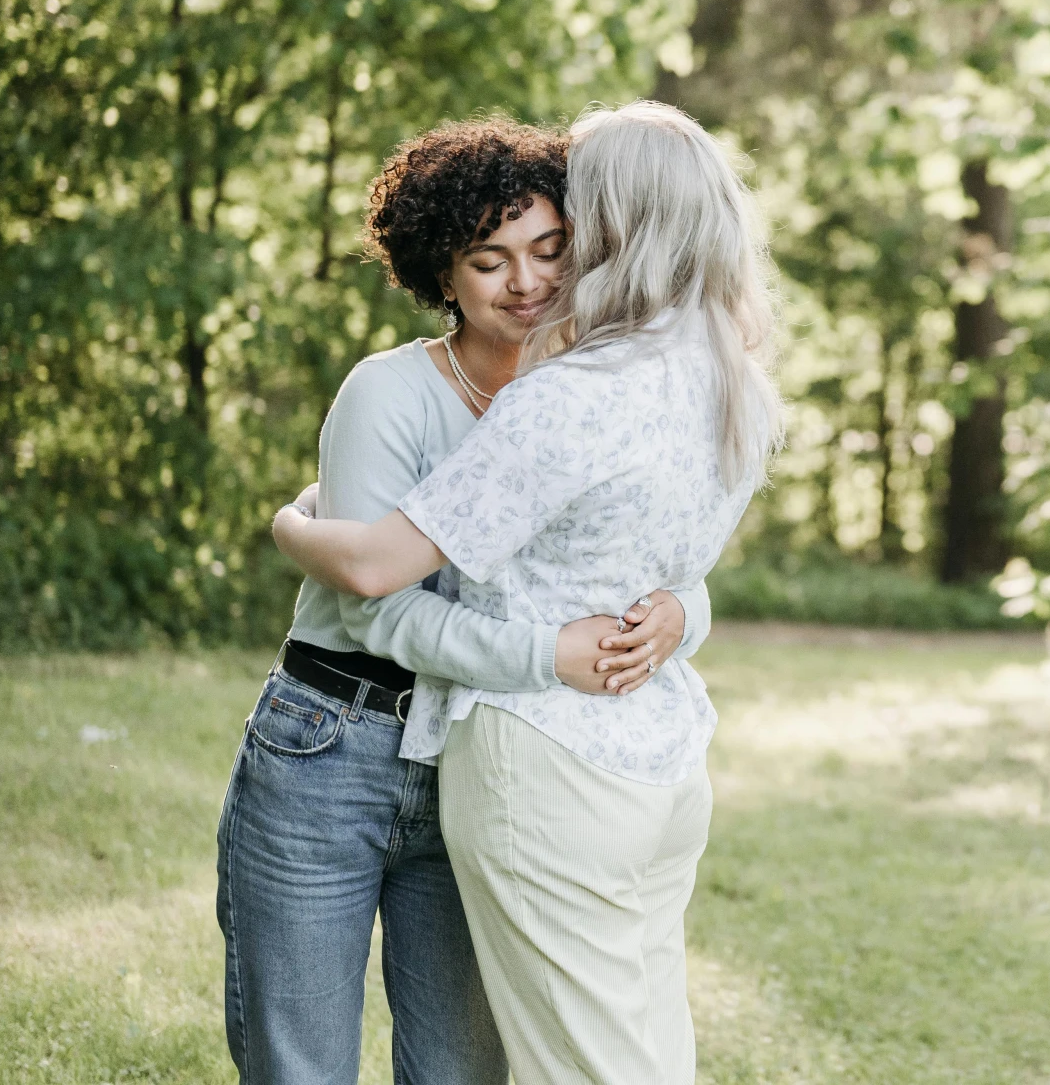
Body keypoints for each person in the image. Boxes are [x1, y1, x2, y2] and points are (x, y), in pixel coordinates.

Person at [270, 101, 782, 1085]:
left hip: (549, 761)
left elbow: (377, 567)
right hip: (659, 760)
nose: (541, 267)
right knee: (640, 1051)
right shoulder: (729, 378)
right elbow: (665, 570)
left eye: (564, 226)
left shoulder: (577, 392)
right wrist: (685, 614)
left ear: (609, 225)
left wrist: (292, 521)